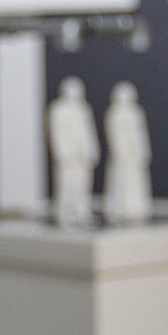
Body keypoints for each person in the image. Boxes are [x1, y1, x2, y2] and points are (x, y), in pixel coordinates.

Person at [47, 76, 100, 231]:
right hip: (69, 157)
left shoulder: (83, 109)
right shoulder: (58, 109)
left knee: (83, 186)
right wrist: (63, 153)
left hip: (82, 155)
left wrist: (92, 149)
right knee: (68, 185)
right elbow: (57, 133)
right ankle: (66, 215)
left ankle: (81, 213)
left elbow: (88, 131)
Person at [103, 82, 152, 226]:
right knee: (122, 181)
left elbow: (141, 133)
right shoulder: (115, 113)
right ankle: (121, 209)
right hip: (122, 155)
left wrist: (143, 150)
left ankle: (135, 208)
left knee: (136, 181)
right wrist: (119, 152)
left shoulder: (136, 112)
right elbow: (114, 135)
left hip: (134, 153)